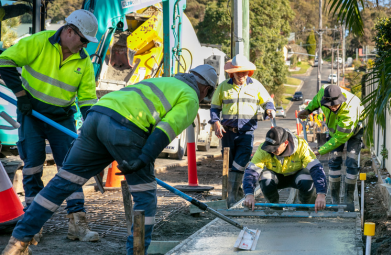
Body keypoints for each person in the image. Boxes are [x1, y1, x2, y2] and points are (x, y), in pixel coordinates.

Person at [1, 65, 219, 255]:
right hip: (126, 129)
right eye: (207, 95)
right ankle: (136, 251)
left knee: (62, 182)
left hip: (96, 117)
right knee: (145, 198)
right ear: (206, 88)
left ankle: (17, 242)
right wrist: (143, 158)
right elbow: (164, 130)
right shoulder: (190, 97)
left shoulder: (164, 81)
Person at [0, 9, 100, 243]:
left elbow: (86, 98)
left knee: (71, 169)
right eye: (83, 40)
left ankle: (77, 223)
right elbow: (4, 61)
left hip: (61, 118)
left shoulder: (84, 62)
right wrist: (21, 95)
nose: (85, 46)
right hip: (32, 115)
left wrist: (91, 125)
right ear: (68, 32)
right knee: (33, 167)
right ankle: (33, 225)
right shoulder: (39, 42)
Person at [210, 54, 275, 208]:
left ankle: (232, 196)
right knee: (230, 164)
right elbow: (214, 108)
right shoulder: (223, 86)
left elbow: (267, 102)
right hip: (227, 132)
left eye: (244, 72)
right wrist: (216, 122)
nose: (241, 76)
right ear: (232, 72)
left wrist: (270, 110)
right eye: (238, 73)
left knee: (241, 161)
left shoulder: (256, 86)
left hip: (246, 132)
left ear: (248, 72)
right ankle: (235, 193)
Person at [298, 85, 364, 206]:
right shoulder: (323, 92)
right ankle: (335, 200)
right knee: (334, 161)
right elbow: (316, 101)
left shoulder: (349, 110)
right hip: (335, 132)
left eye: (335, 105)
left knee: (351, 161)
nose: (332, 108)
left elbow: (340, 138)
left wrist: (320, 150)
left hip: (353, 131)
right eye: (329, 105)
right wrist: (308, 110)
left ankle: (348, 200)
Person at [242, 127, 327, 212]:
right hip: (276, 177)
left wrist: (321, 194)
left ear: (286, 143)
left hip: (297, 176)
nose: (271, 151)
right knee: (265, 177)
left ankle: (303, 205)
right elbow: (251, 172)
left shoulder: (301, 146)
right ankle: (274, 207)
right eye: (269, 148)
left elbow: (316, 169)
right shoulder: (263, 150)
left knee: (307, 178)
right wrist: (249, 194)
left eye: (275, 148)